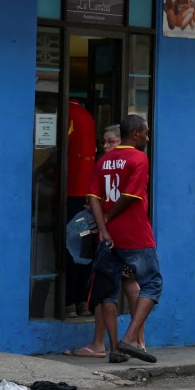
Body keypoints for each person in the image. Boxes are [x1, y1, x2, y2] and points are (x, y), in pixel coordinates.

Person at [86, 114, 160, 364]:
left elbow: (93, 196)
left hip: (108, 237)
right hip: (134, 232)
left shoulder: (104, 160)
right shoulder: (139, 158)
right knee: (152, 282)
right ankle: (128, 340)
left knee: (107, 292)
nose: (147, 137)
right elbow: (130, 194)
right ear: (136, 133)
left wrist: (103, 224)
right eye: (146, 133)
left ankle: (116, 350)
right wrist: (108, 218)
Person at [70, 125, 144, 359]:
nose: (106, 147)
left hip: (117, 234)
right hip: (117, 232)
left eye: (111, 141)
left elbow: (122, 199)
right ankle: (124, 343)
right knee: (118, 287)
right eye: (104, 142)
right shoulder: (113, 165)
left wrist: (103, 216)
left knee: (120, 288)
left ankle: (123, 342)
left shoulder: (125, 164)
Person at [65, 98, 96, 318]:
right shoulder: (86, 115)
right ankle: (81, 301)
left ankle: (68, 300)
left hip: (70, 195)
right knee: (84, 248)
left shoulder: (66, 114)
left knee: (71, 249)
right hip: (86, 196)